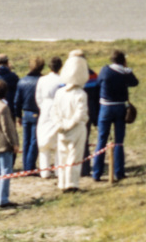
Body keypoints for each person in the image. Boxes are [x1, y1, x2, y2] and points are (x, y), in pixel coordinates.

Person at [92, 50, 140, 182]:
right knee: (119, 142)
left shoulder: (105, 70)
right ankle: (119, 172)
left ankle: (97, 173)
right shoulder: (125, 72)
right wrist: (128, 70)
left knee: (101, 140)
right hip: (120, 107)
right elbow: (135, 82)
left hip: (105, 108)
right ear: (123, 60)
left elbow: (97, 84)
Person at [51, 51, 90, 192]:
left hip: (61, 129)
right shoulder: (81, 94)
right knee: (74, 157)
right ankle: (71, 184)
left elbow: (54, 111)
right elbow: (80, 114)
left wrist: (60, 125)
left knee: (62, 156)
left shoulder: (59, 93)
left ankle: (62, 182)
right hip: (76, 128)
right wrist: (69, 125)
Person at [15, 57, 44, 174]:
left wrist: (18, 116)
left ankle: (26, 165)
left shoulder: (22, 81)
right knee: (34, 141)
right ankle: (30, 166)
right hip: (37, 113)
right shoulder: (42, 80)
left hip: (26, 113)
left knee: (26, 140)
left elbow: (17, 101)